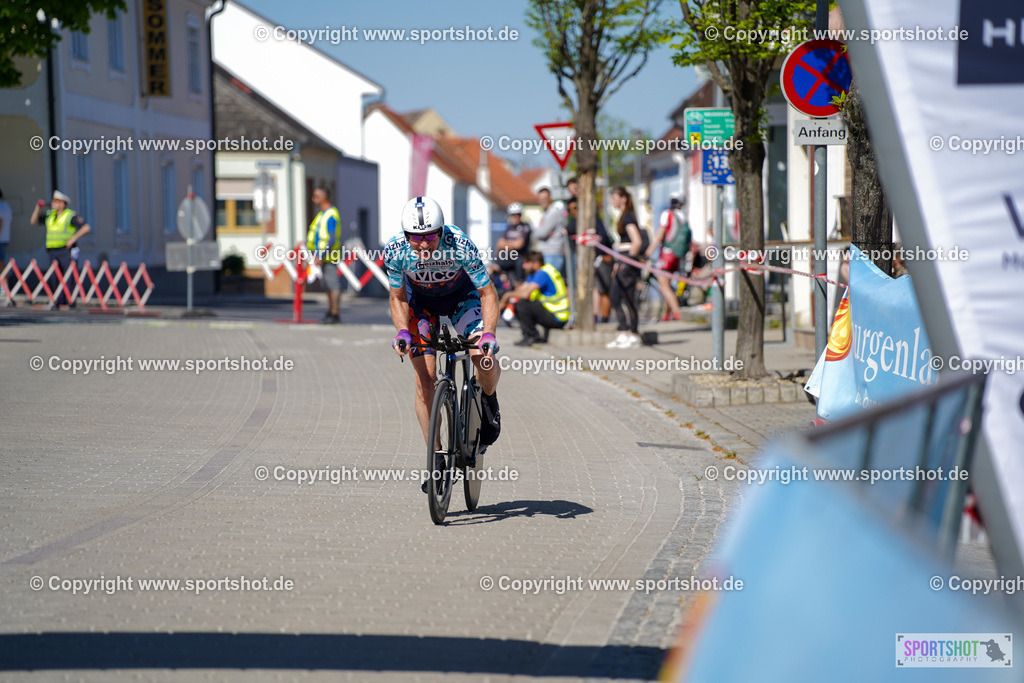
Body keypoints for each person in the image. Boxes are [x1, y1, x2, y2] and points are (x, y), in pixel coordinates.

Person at [386, 196, 502, 486]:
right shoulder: (396, 250)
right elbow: (398, 297)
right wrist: (402, 331)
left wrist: (488, 333)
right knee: (424, 380)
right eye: (416, 238)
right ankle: (436, 459)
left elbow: (487, 292)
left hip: (462, 297)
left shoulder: (460, 244)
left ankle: (488, 399)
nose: (424, 244)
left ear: (441, 231)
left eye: (430, 236)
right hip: (421, 303)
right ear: (406, 235)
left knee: (482, 357)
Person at [30, 190, 91, 308]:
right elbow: (34, 221)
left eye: (56, 202)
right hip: (52, 250)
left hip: (66, 250)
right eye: (53, 201)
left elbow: (86, 227)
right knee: (55, 276)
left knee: (68, 276)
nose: (53, 204)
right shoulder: (50, 215)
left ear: (62, 204)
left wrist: (73, 239)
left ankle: (69, 300)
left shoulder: (70, 215)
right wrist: (37, 208)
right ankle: (58, 300)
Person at [606, 186, 648, 348]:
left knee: (628, 299)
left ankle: (634, 334)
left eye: (614, 197)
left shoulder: (628, 217)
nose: (612, 201)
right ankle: (624, 332)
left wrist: (627, 262)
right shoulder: (623, 216)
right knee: (616, 297)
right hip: (621, 259)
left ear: (623, 199)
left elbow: (636, 241)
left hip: (627, 261)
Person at [498, 251, 569, 346]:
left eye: (526, 263)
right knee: (517, 300)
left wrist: (507, 296)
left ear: (536, 263)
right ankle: (528, 335)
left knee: (523, 303)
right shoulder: (534, 274)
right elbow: (521, 290)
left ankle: (532, 336)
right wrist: (508, 296)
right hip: (550, 312)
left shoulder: (543, 273)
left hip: (557, 317)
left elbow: (525, 294)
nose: (523, 266)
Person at [566, 196, 613, 323]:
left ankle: (604, 319)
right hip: (586, 262)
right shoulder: (573, 222)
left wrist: (603, 255)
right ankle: (593, 317)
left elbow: (603, 237)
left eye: (576, 208)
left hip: (601, 259)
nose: (573, 212)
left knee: (603, 289)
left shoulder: (593, 219)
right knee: (591, 290)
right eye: (571, 210)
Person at [647, 195, 691, 322]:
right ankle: (667, 314)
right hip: (678, 255)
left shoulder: (667, 214)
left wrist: (648, 252)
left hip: (667, 253)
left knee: (664, 284)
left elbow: (659, 236)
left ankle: (677, 313)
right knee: (668, 284)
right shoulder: (682, 216)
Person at [306, 187, 342, 324]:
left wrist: (321, 255)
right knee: (327, 285)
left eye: (316, 196)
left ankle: (335, 313)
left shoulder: (331, 214)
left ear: (324, 197)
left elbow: (331, 239)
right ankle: (330, 311)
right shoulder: (322, 214)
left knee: (333, 284)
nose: (313, 199)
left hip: (329, 256)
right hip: (321, 256)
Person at [487, 202, 532, 287]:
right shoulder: (509, 228)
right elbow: (500, 243)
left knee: (518, 282)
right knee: (491, 269)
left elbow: (519, 244)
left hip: (520, 258)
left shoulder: (525, 227)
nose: (515, 217)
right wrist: (512, 244)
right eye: (513, 215)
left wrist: (506, 244)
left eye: (518, 214)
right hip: (508, 257)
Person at [532, 187, 568, 277]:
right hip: (546, 253)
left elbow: (541, 233)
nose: (542, 201)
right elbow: (537, 233)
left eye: (544, 198)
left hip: (553, 254)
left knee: (552, 281)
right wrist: (540, 232)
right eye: (540, 199)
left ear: (550, 198)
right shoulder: (546, 213)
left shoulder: (553, 213)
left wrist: (540, 232)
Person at [0, 187, 11, 264]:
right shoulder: (7, 206)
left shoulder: (1, 206)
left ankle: (4, 272)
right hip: (5, 237)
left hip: (1, 239)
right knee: (2, 260)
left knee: (1, 262)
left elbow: (0, 222)